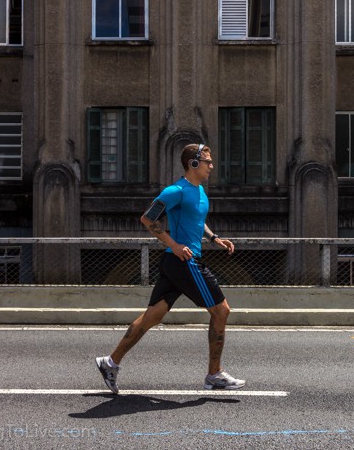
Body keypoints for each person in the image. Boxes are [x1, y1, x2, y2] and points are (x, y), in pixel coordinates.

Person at [95, 143, 245, 393]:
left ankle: (110, 362)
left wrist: (214, 238)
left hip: (177, 264)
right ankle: (214, 375)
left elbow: (197, 221)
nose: (212, 166)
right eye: (207, 162)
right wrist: (175, 245)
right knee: (221, 311)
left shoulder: (199, 193)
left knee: (152, 317)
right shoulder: (175, 191)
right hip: (184, 262)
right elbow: (147, 218)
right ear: (193, 164)